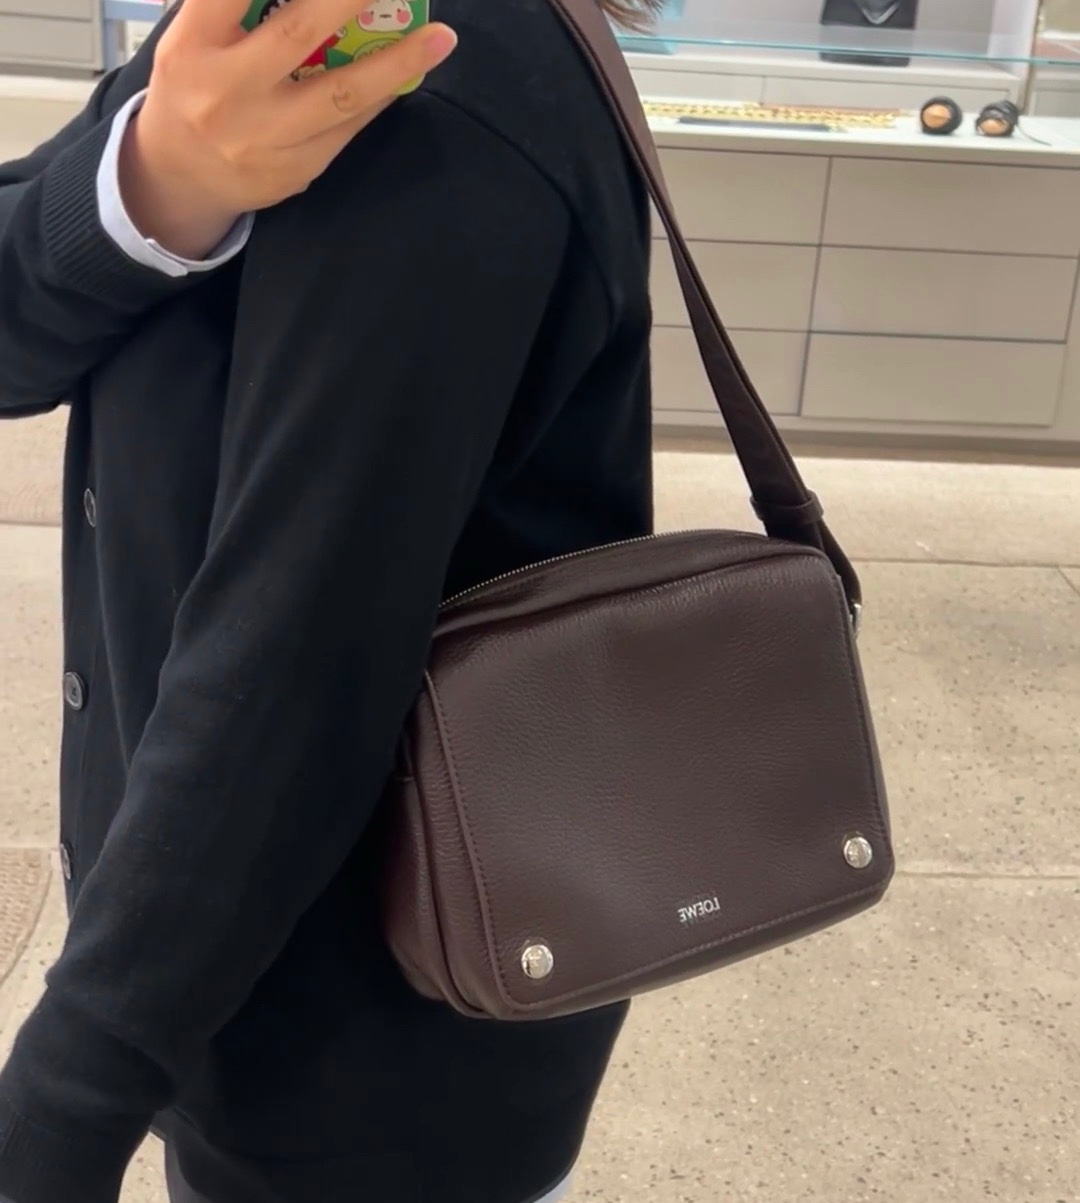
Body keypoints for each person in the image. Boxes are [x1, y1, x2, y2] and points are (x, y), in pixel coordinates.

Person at [0, 0, 657, 1199]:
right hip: (229, 992)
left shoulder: (429, 72)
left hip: (366, 1064)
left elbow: (294, 663)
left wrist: (59, 1111)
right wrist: (151, 187)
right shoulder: (269, 34)